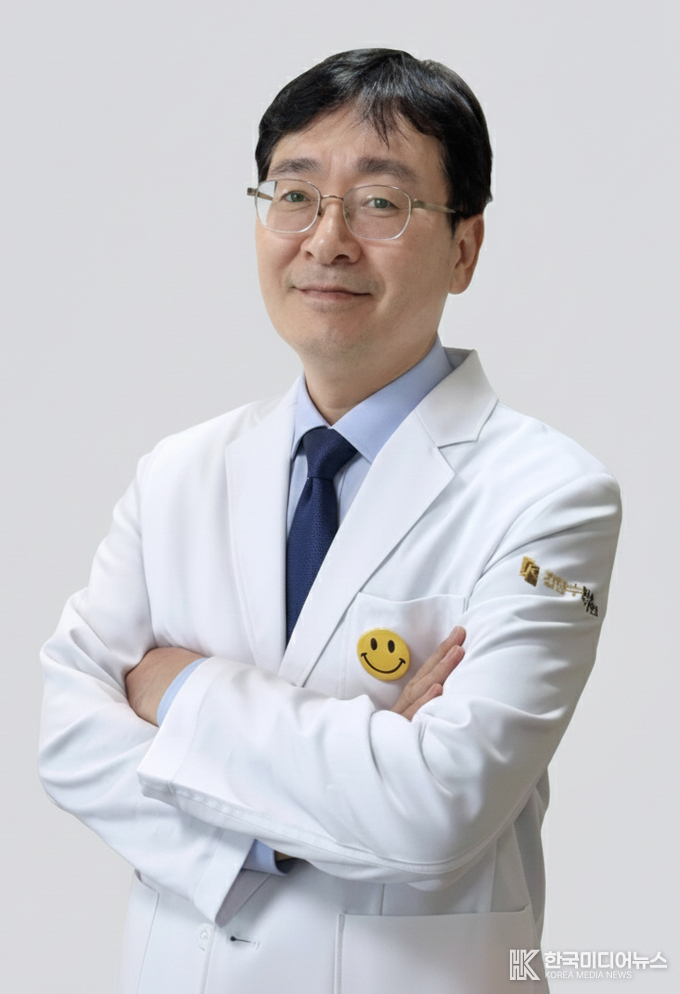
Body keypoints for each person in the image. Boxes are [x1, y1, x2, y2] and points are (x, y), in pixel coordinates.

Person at [39, 49, 621, 994]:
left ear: (465, 247)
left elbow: (437, 809)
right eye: (296, 195)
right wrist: (289, 824)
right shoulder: (179, 472)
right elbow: (68, 737)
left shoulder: (551, 494)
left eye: (380, 203)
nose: (327, 239)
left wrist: (180, 690)